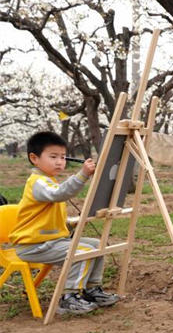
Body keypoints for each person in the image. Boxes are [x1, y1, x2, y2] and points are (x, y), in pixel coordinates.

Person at [10, 131, 119, 315]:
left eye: (62, 157)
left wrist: (69, 223)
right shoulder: (37, 182)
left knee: (97, 245)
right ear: (34, 158)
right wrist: (82, 175)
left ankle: (92, 289)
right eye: (53, 157)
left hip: (49, 242)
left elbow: (46, 216)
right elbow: (59, 193)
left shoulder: (48, 181)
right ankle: (69, 297)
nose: (60, 161)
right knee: (83, 251)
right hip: (32, 246)